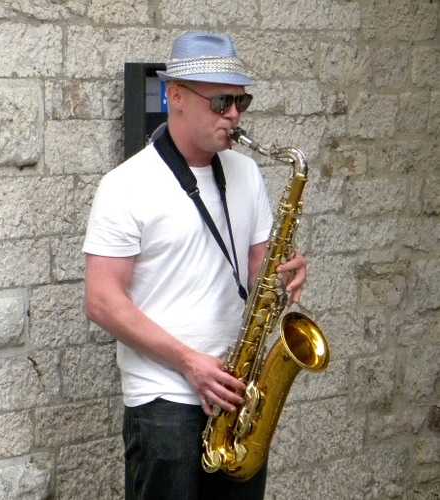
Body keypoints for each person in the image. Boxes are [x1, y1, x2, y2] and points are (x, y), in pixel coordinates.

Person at [83, 31, 307, 500]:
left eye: (241, 102)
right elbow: (101, 301)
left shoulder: (247, 173)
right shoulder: (125, 186)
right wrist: (189, 362)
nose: (234, 115)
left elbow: (259, 269)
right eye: (221, 101)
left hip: (236, 394)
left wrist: (284, 276)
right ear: (176, 96)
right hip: (163, 400)